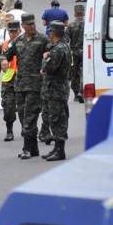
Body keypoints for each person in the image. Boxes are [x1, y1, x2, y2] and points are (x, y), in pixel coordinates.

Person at [5, 13, 49, 159]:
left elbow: (52, 53)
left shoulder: (42, 39)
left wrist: (46, 58)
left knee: (30, 116)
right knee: (23, 116)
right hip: (20, 85)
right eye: (28, 24)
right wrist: (4, 61)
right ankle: (34, 148)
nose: (32, 26)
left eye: (33, 24)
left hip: (35, 85)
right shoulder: (18, 41)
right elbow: (5, 54)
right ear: (23, 26)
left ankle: (26, 148)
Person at [40, 21, 71, 161]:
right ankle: (57, 148)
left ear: (53, 33)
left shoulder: (58, 49)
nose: (49, 34)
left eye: (50, 31)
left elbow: (50, 68)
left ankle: (60, 150)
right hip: (55, 88)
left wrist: (45, 60)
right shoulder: (60, 46)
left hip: (56, 89)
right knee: (54, 117)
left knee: (57, 118)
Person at [67, 3, 85, 102]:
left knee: (75, 73)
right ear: (84, 12)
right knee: (85, 72)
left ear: (74, 14)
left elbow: (66, 39)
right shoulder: (89, 24)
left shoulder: (71, 25)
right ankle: (82, 91)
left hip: (74, 52)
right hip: (86, 51)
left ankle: (76, 93)